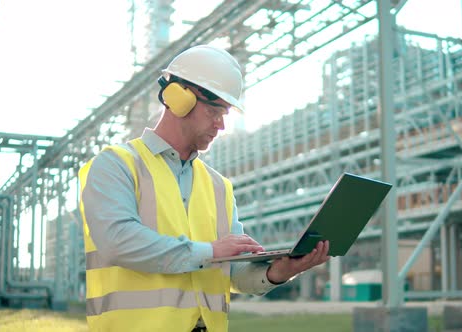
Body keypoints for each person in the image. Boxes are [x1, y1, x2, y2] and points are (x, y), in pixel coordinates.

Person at [79, 45, 330, 332]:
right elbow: (117, 241)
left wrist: (279, 272)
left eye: (225, 113)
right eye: (214, 110)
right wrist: (209, 251)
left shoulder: (218, 186)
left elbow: (234, 273)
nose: (221, 125)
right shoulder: (116, 165)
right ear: (177, 99)